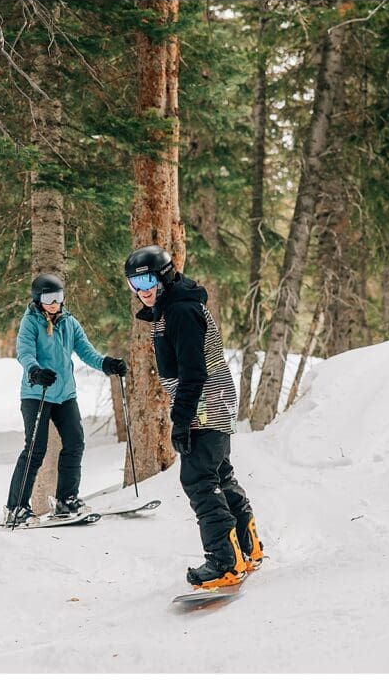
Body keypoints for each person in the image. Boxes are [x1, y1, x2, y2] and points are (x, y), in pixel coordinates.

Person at [123, 245, 264, 588]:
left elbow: (193, 372)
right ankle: (247, 547)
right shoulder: (169, 308)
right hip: (211, 403)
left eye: (148, 281)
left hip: (205, 404)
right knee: (218, 476)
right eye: (134, 284)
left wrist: (182, 419)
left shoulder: (181, 311)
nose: (143, 291)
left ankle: (224, 562)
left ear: (165, 276)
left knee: (199, 481)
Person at [3, 273, 127, 528]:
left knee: (75, 442)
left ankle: (66, 500)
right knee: (35, 449)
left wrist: (107, 364)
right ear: (38, 300)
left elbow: (86, 351)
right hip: (37, 393)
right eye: (48, 298)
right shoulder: (30, 322)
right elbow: (24, 352)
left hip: (65, 394)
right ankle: (16, 507)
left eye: (58, 297)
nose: (54, 303)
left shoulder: (69, 322)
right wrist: (35, 371)